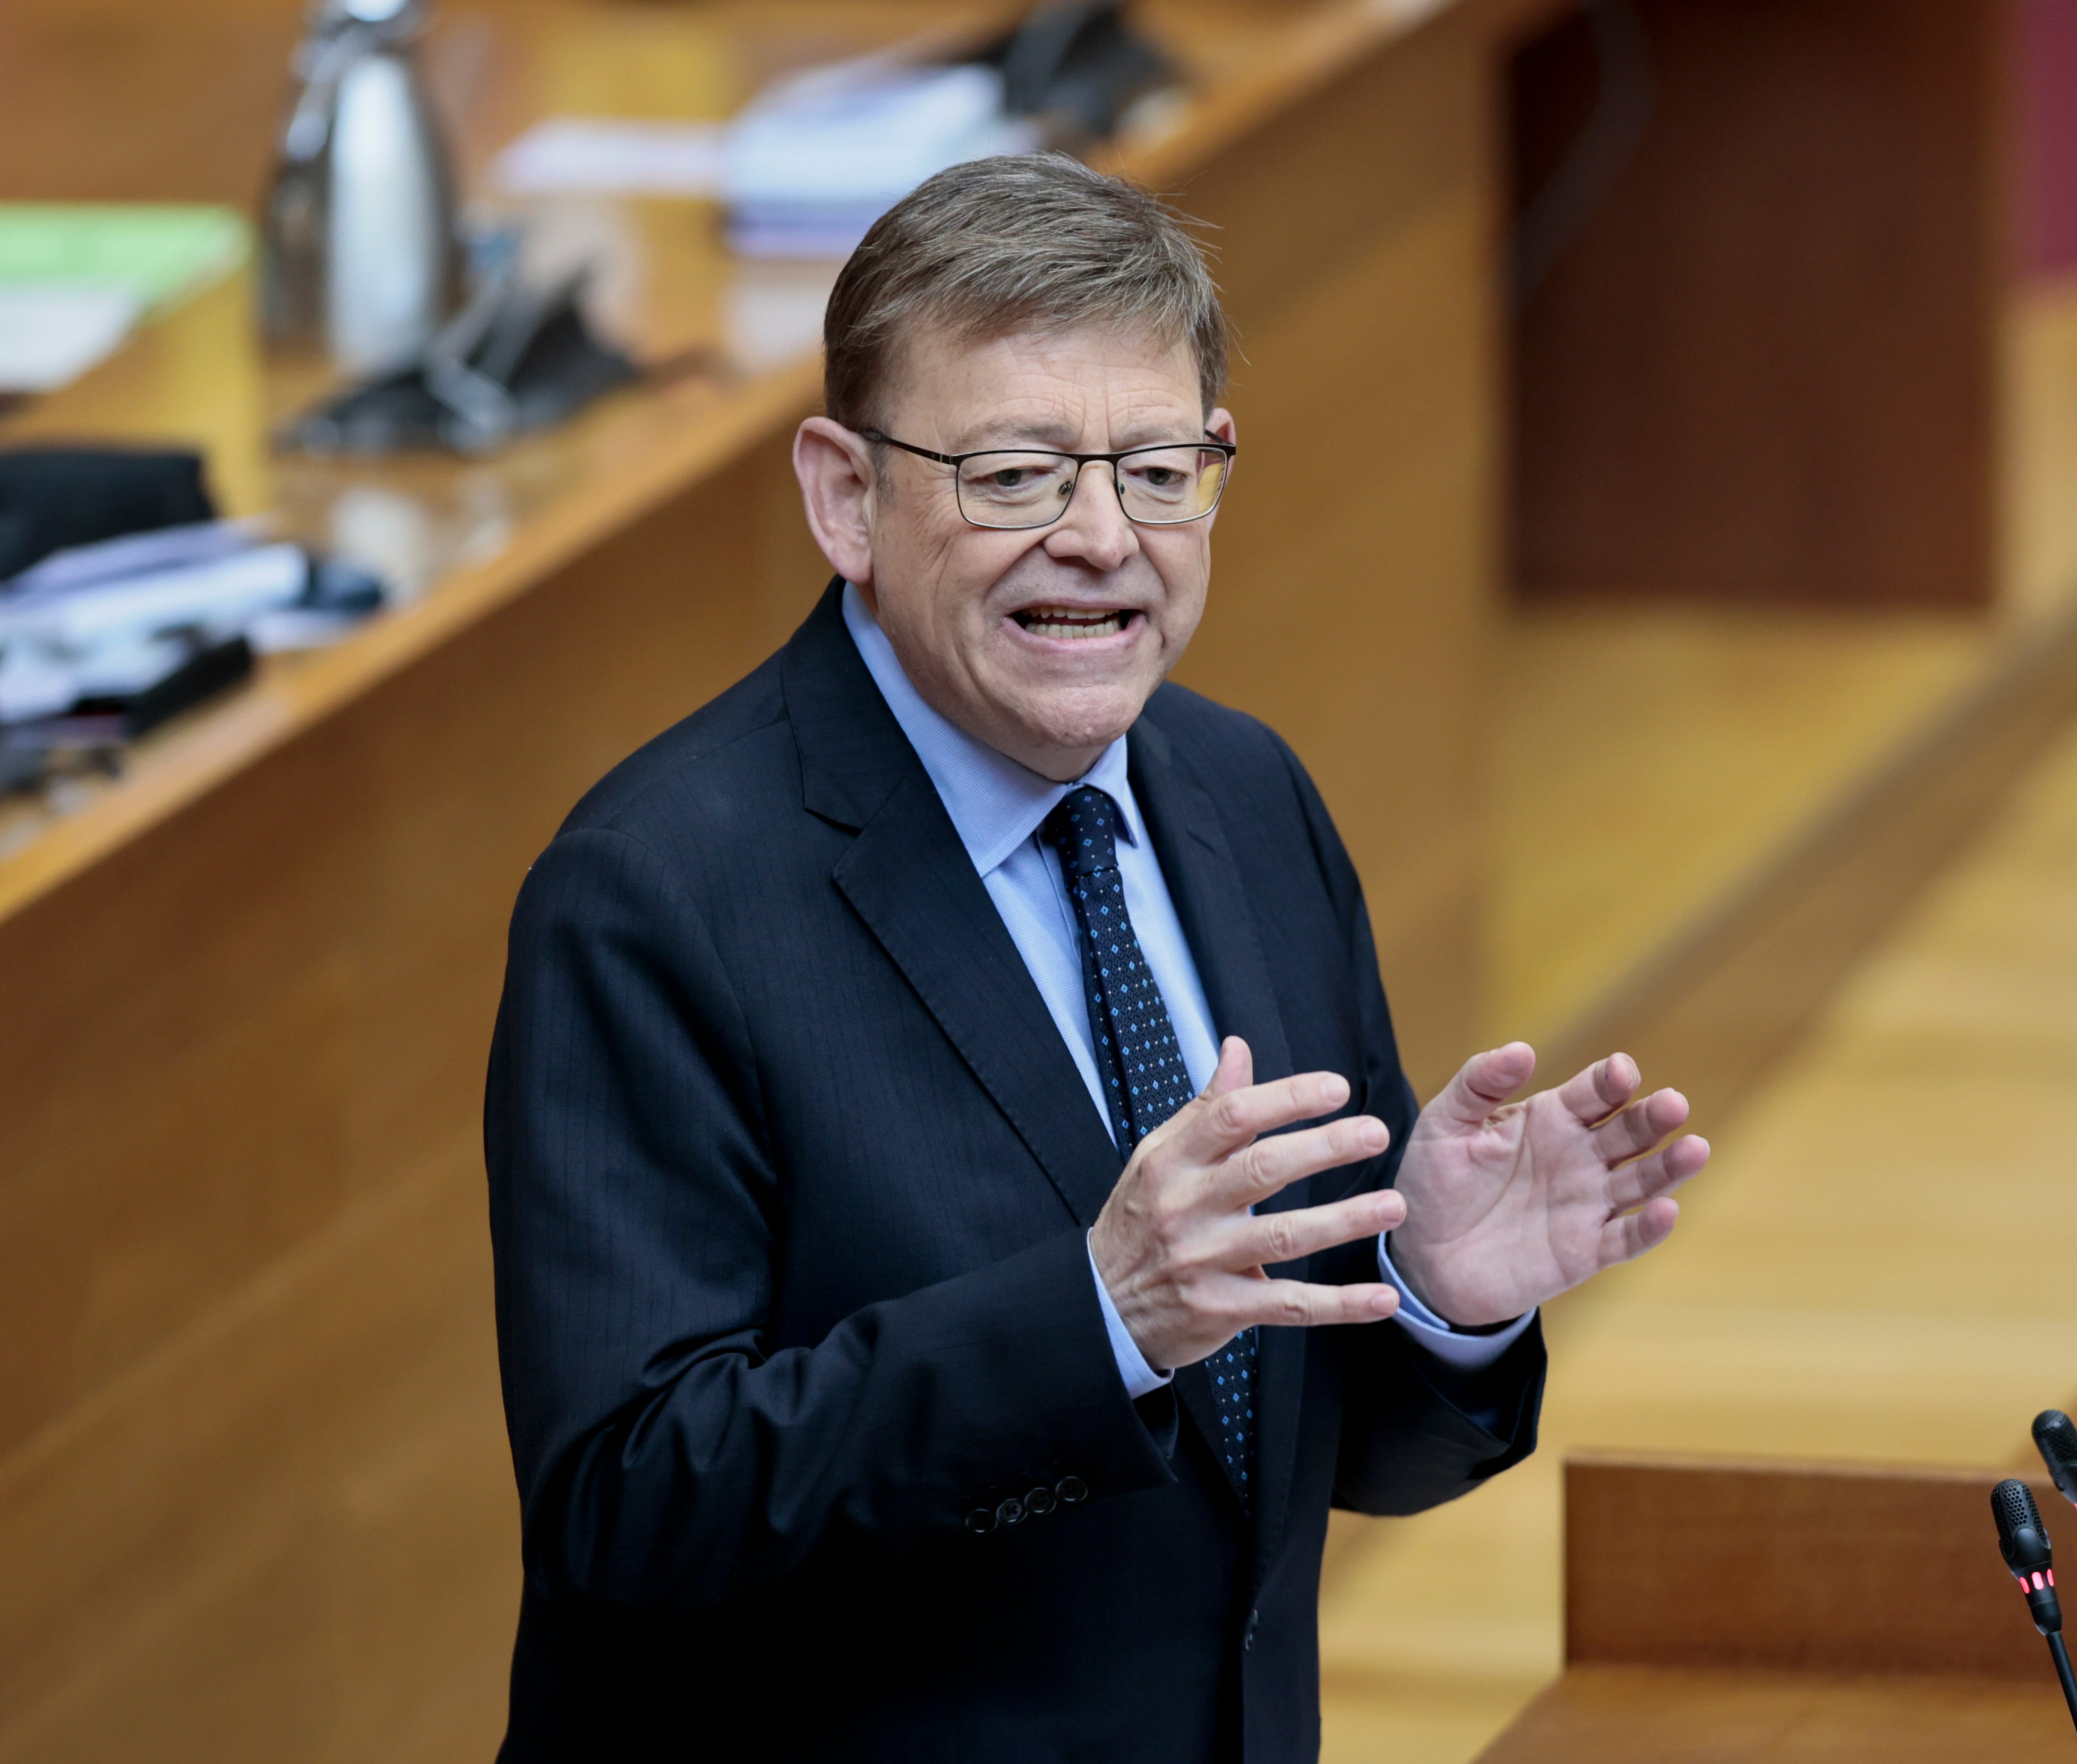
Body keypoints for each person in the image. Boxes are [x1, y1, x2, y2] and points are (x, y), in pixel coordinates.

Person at [484, 152, 1710, 1763]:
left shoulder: (1243, 792)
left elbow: (1283, 1455)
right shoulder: (653, 895)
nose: (1100, 539)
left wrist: (1429, 1303)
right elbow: (629, 1503)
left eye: (1156, 468)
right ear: (846, 495)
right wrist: (1095, 1315)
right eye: (1013, 475)